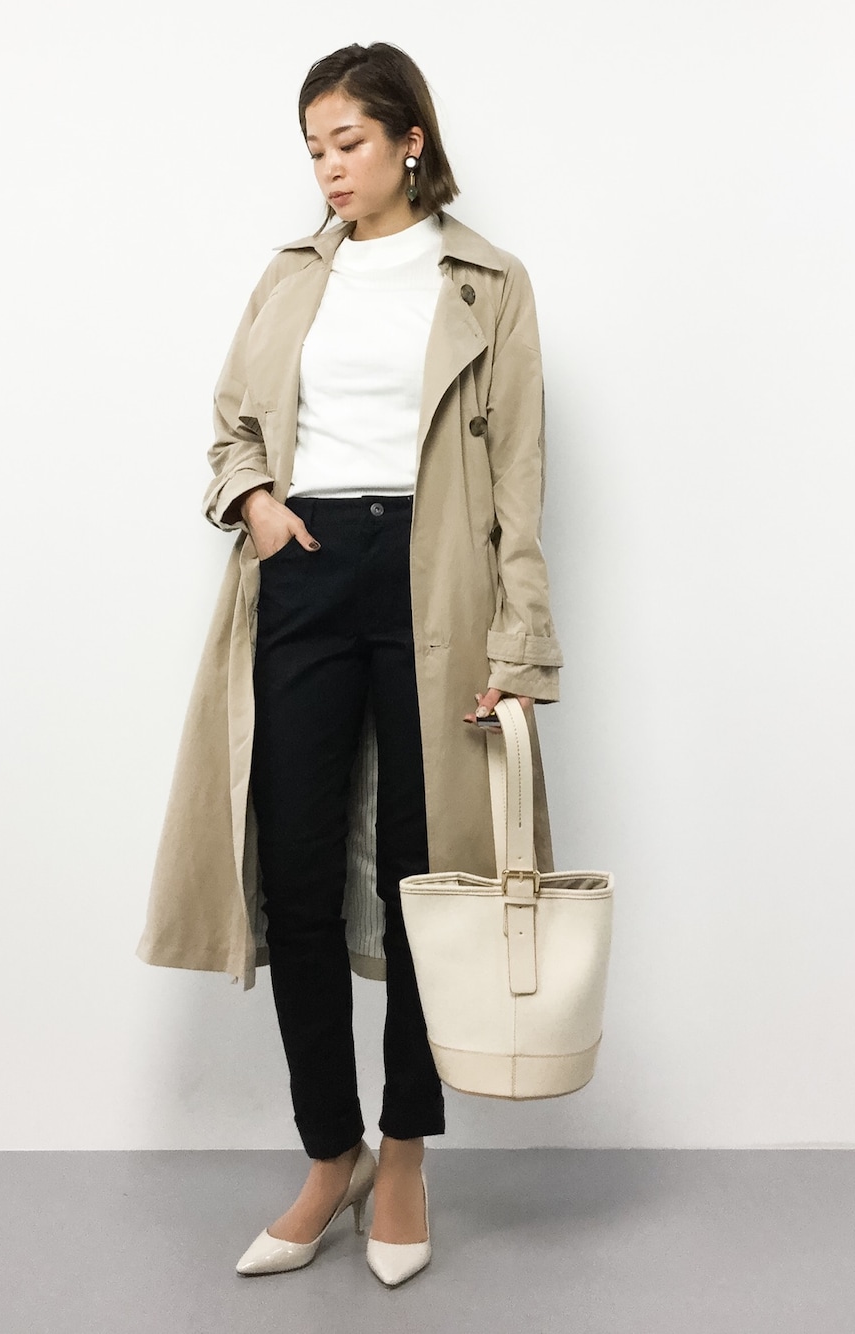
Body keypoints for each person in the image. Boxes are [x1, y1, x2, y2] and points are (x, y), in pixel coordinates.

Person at [135, 40, 564, 1287]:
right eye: (313, 146)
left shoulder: (488, 280)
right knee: (296, 868)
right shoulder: (289, 277)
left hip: (435, 580)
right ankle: (331, 1152)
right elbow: (232, 425)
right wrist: (258, 502)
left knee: (426, 878)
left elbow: (520, 480)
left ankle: (406, 1149)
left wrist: (517, 642)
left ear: (409, 141)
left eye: (349, 142)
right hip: (306, 567)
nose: (327, 166)